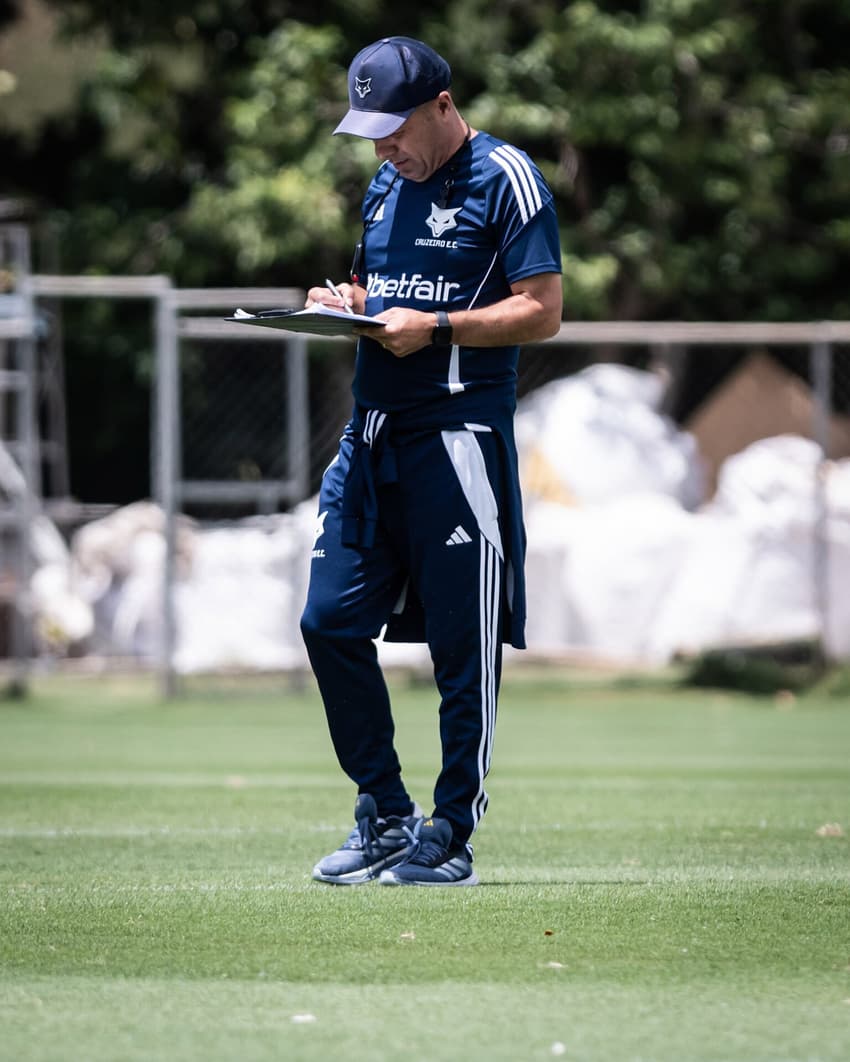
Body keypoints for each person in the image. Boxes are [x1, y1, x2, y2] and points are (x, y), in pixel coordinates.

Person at [300, 36, 562, 886]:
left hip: (459, 444)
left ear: (442, 106)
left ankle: (450, 832)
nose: (382, 148)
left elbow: (542, 311)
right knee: (328, 621)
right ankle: (384, 813)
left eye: (393, 129)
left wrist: (440, 330)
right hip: (370, 437)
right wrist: (343, 304)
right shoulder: (385, 184)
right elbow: (386, 295)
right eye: (368, 132)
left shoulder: (506, 178)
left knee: (462, 649)